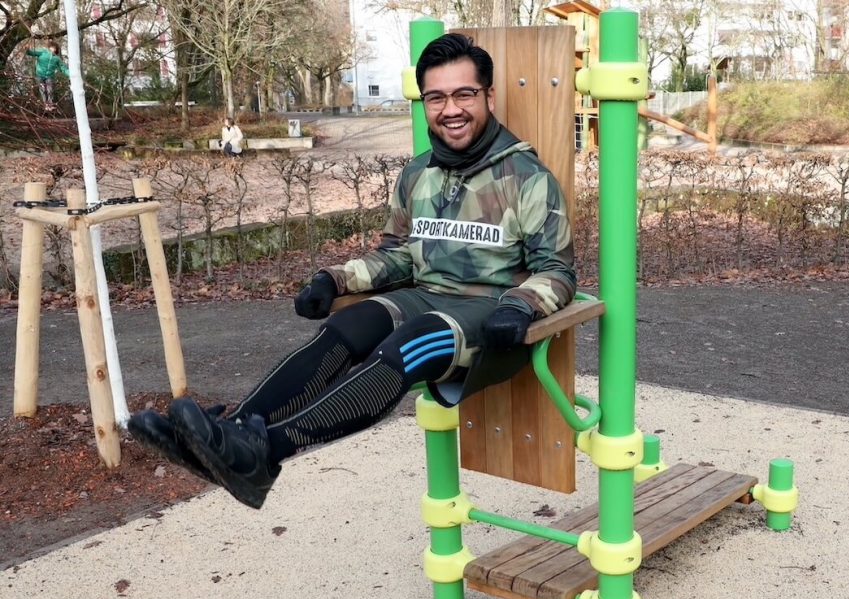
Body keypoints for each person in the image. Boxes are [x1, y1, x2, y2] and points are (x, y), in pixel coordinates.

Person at [128, 33, 575, 509]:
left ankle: (267, 451)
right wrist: (336, 279)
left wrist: (520, 306)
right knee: (345, 327)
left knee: (416, 337)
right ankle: (231, 435)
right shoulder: (418, 174)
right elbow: (400, 254)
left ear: (487, 95)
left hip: (490, 315)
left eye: (464, 94)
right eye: (436, 97)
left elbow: (557, 271)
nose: (451, 109)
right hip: (425, 294)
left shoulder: (527, 178)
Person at [26, 41, 69, 112]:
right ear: (49, 47)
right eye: (52, 47)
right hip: (40, 75)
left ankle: (50, 105)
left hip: (49, 76)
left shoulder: (57, 58)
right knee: (42, 90)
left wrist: (70, 74)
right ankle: (46, 105)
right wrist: (27, 49)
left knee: (50, 90)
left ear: (56, 49)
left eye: (55, 48)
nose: (53, 49)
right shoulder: (43, 52)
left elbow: (63, 68)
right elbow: (31, 53)